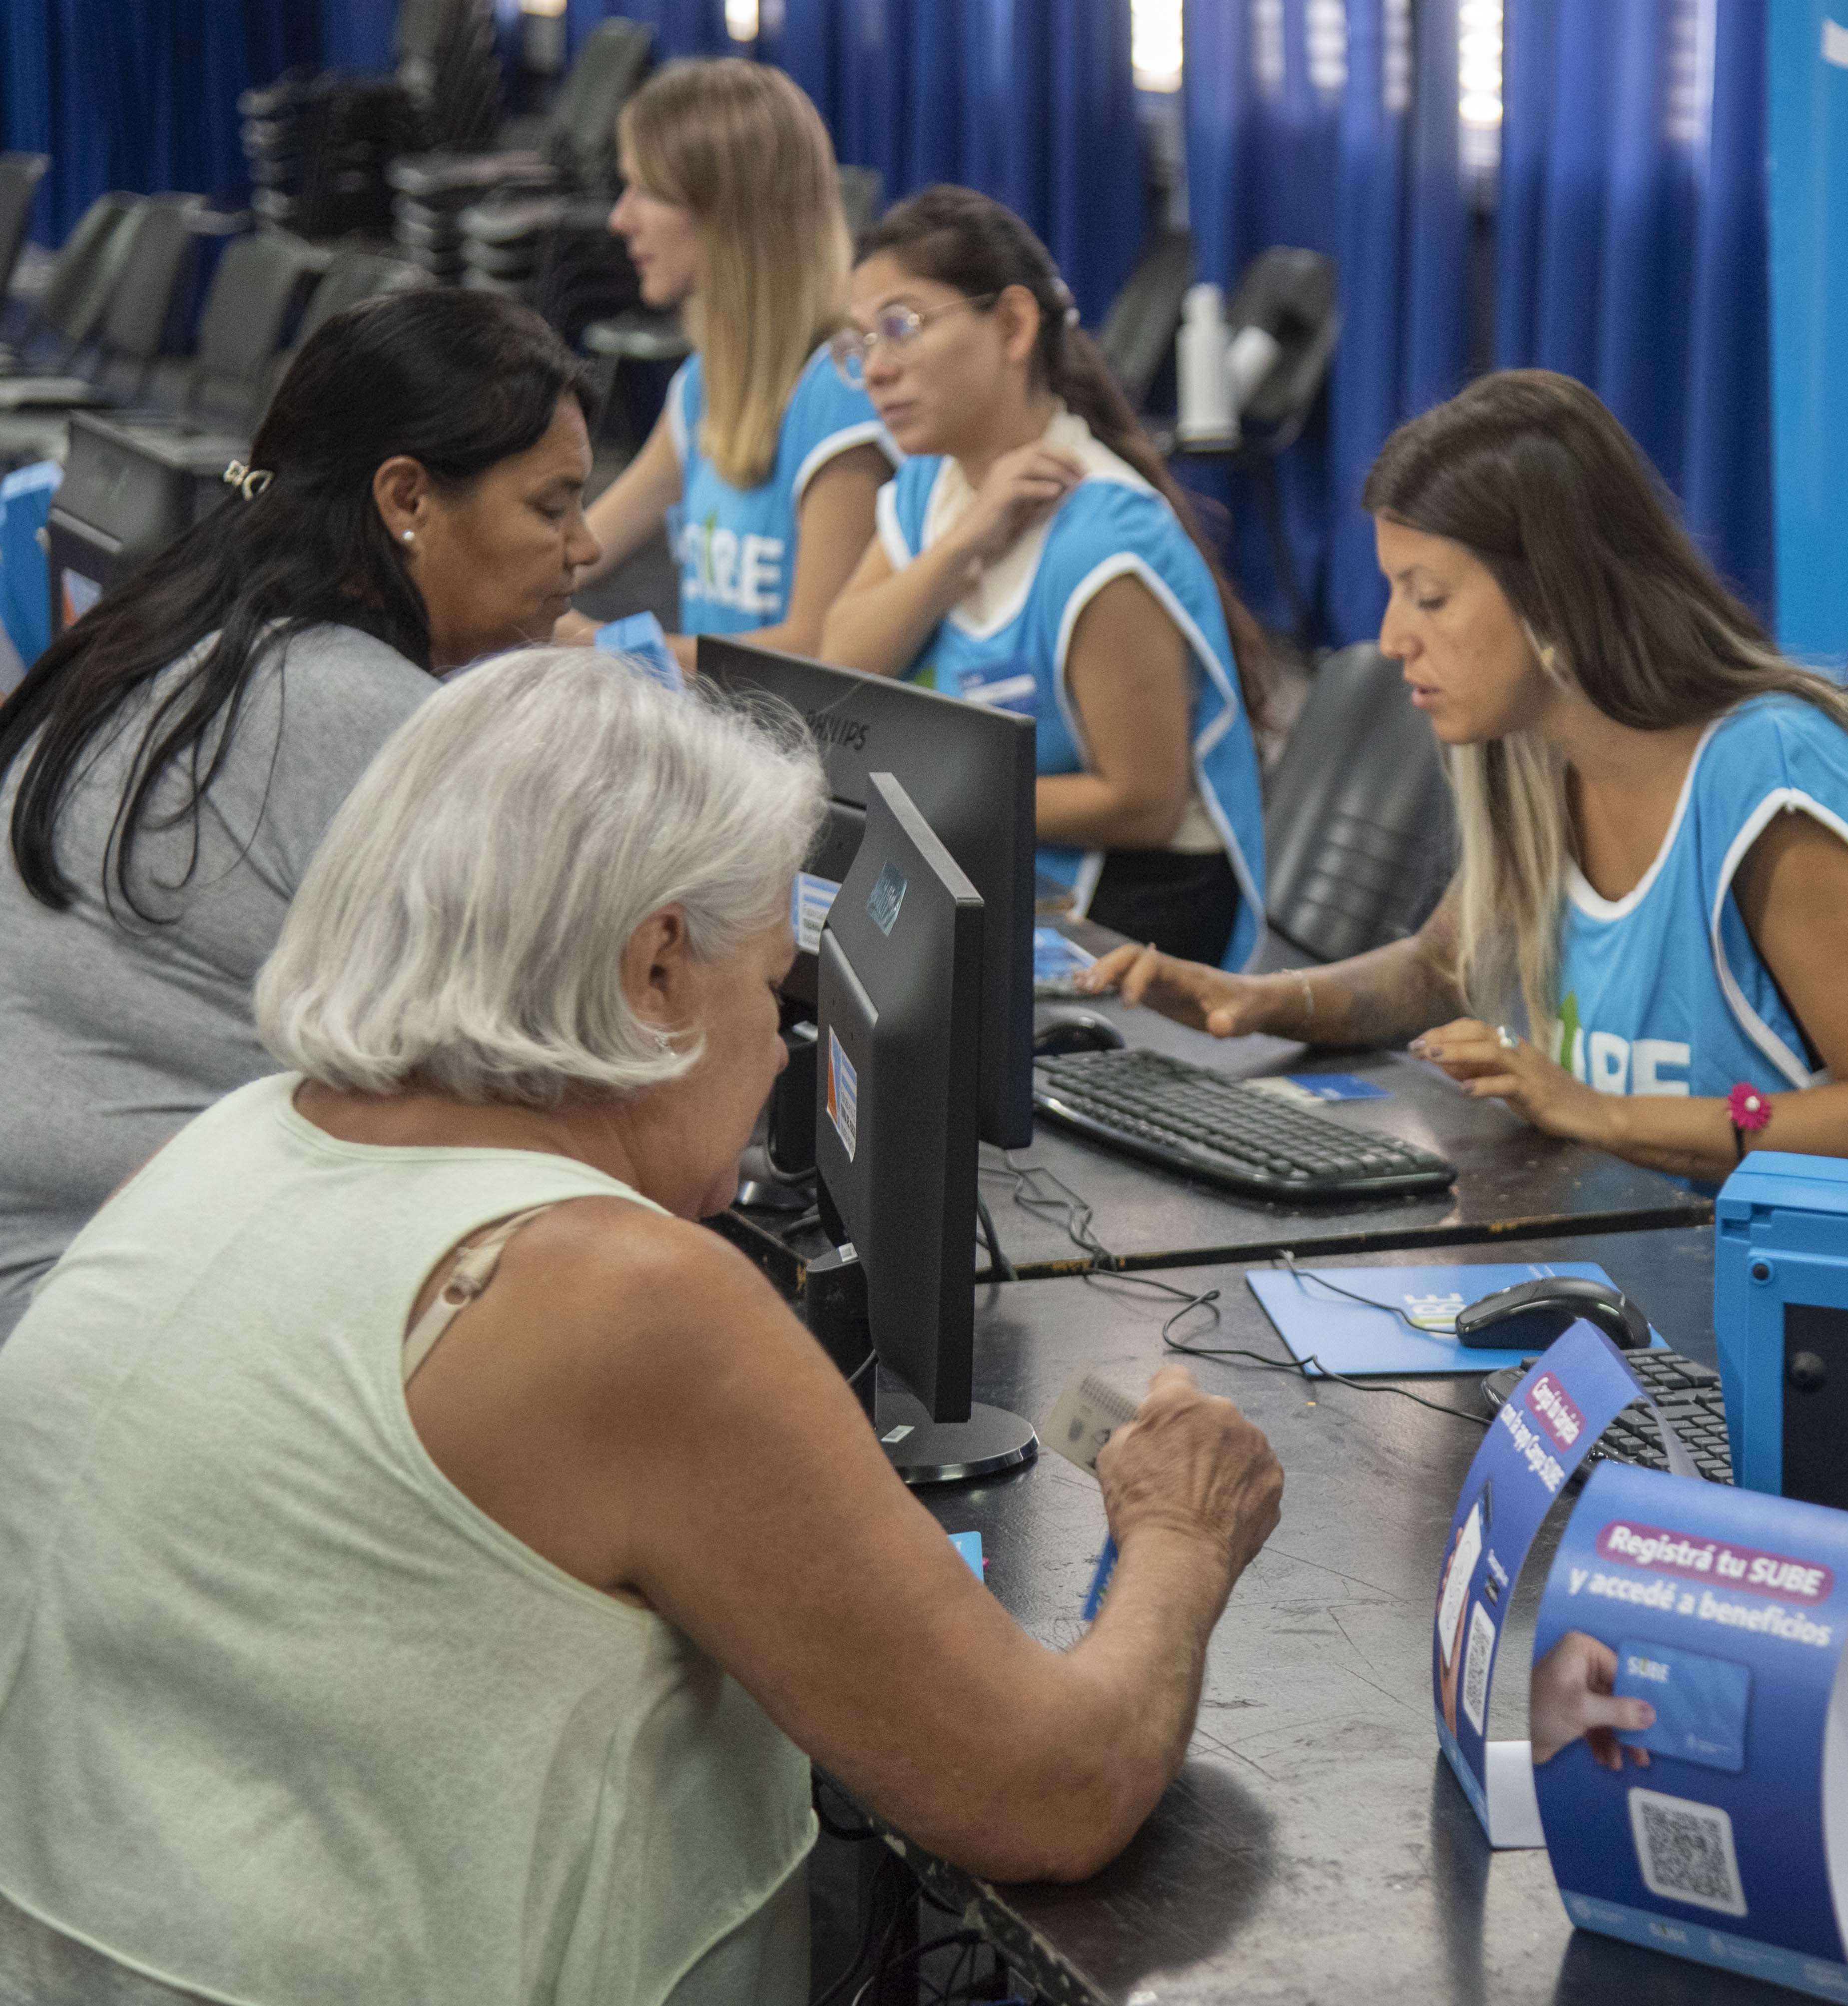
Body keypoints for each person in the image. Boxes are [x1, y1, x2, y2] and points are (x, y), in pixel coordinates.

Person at [0, 649, 1284, 2003]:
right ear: (659, 964)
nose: (788, 1049)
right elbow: (1052, 1789)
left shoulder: (220, 1145)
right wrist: (1181, 1537)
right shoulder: (620, 1299)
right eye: (775, 991)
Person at [1089, 371, 1848, 1189]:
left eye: (1428, 596)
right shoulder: (1537, 748)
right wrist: (1256, 1001)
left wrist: (1609, 1115)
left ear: (1552, 594)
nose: (1394, 636)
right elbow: (1446, 964)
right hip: (1641, 1270)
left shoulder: (1767, 779)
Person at [0, 288, 599, 1340]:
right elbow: (570, 1086)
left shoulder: (181, 626)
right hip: (83, 1325)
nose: (586, 547)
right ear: (406, 499)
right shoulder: (358, 712)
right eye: (551, 509)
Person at [817, 186, 1270, 970]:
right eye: (860, 345)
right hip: (1006, 852)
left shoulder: (1101, 540)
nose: (877, 371)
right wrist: (967, 540)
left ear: (1014, 326)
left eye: (901, 327)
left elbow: (1144, 805)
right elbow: (841, 665)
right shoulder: (936, 488)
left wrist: (923, 795)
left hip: (1144, 903)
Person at [565, 58, 895, 668]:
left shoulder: (844, 392)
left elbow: (820, 655)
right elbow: (577, 551)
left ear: (729, 212)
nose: (621, 218)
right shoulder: (703, 386)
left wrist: (599, 647)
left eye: (648, 191)